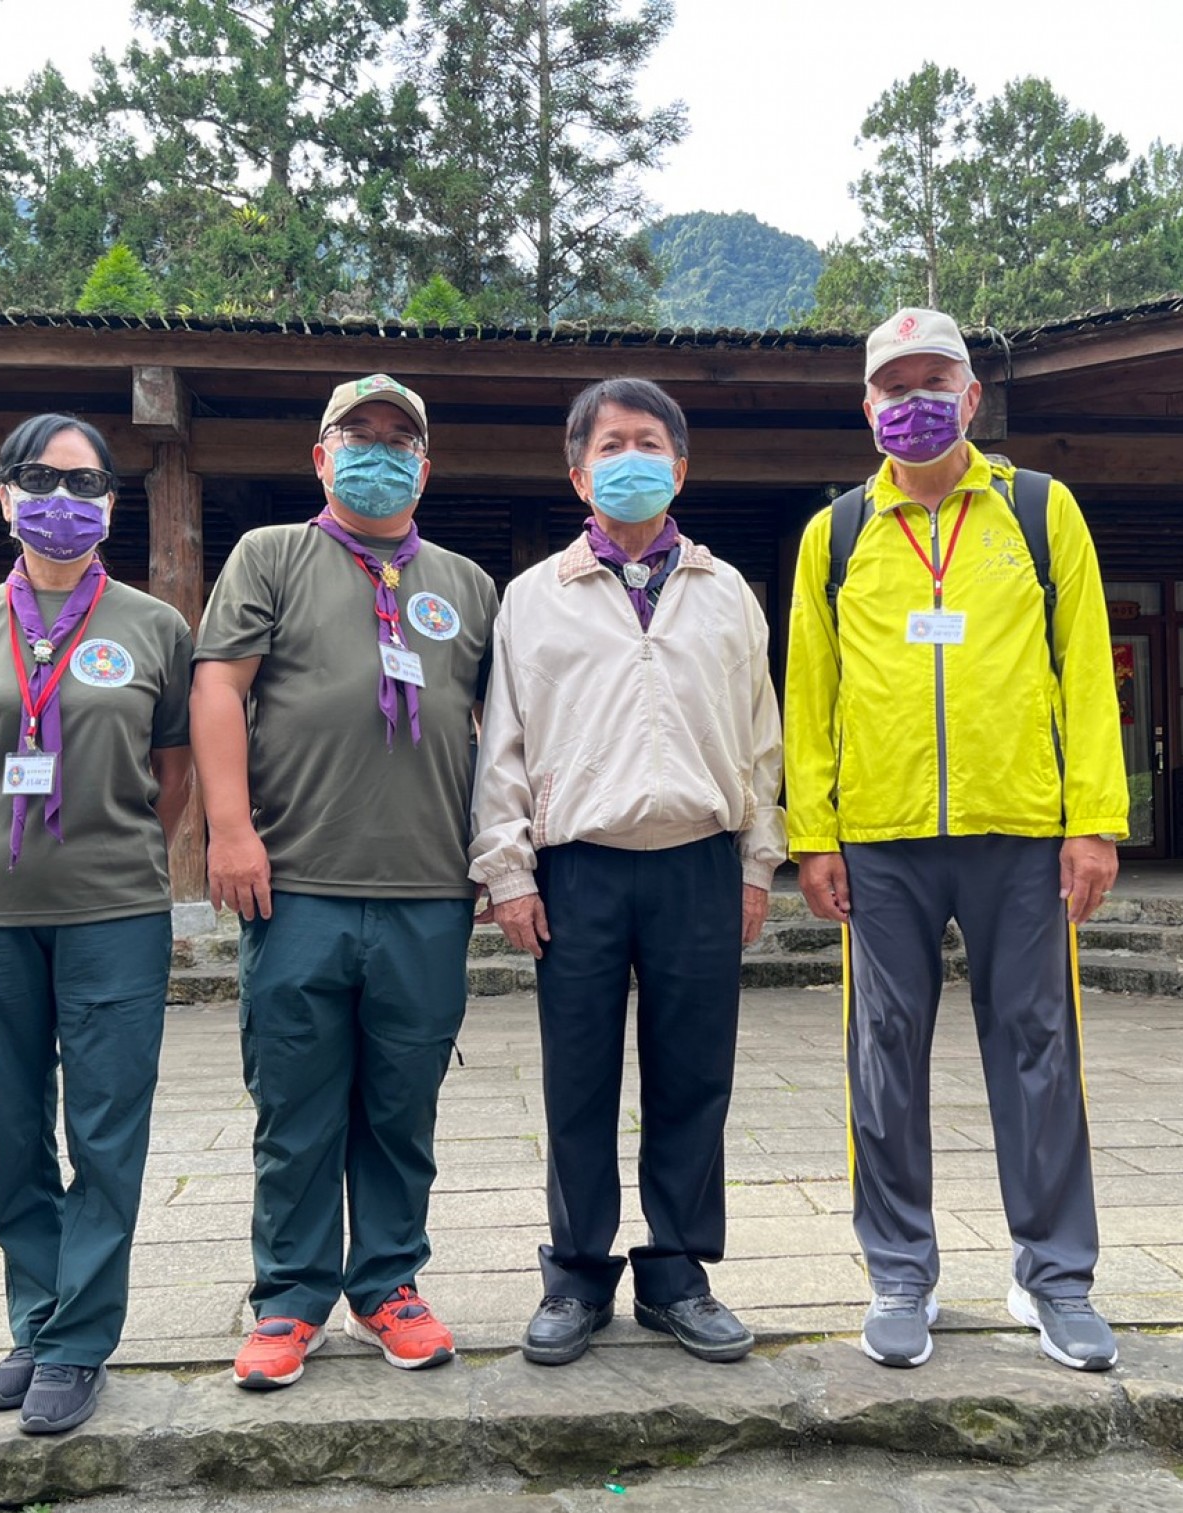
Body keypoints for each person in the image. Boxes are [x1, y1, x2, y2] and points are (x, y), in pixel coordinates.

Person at [783, 308, 1130, 1374]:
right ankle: (899, 1272)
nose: (914, 401)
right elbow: (809, 693)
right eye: (894, 387)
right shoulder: (837, 533)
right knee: (883, 1054)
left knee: (1038, 1048)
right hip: (880, 838)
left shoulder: (1037, 511)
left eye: (934, 381)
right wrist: (812, 833)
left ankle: (1054, 1277)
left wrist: (1092, 821)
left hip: (1019, 829)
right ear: (867, 408)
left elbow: (1085, 667)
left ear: (972, 396)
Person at [191, 373, 498, 1390]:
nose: (378, 451)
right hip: (297, 883)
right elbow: (219, 685)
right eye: (355, 434)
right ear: (321, 457)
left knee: (402, 1105)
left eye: (397, 439)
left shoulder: (466, 584)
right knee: (295, 1102)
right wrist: (229, 828)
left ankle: (389, 1283)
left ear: (425, 465)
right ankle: (289, 1295)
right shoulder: (271, 555)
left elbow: (500, 732)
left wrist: (500, 859)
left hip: (428, 887)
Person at [472, 377, 785, 1367]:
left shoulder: (726, 592)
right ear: (577, 473)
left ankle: (678, 1274)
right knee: (577, 1079)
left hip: (699, 862)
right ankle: (574, 1274)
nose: (630, 458)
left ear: (680, 466)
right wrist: (508, 871)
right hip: (578, 870)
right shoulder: (534, 596)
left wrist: (758, 861)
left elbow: (761, 738)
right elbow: (502, 742)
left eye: (648, 441)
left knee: (694, 1077)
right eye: (609, 445)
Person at [0, 412, 194, 1434]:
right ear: (4, 495)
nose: (60, 499)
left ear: (111, 502)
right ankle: (34, 1319)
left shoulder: (153, 627)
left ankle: (78, 1338)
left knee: (106, 1130)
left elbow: (173, 773)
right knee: (10, 1126)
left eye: (84, 482)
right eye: (39, 479)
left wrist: (111, 847)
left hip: (115, 910)